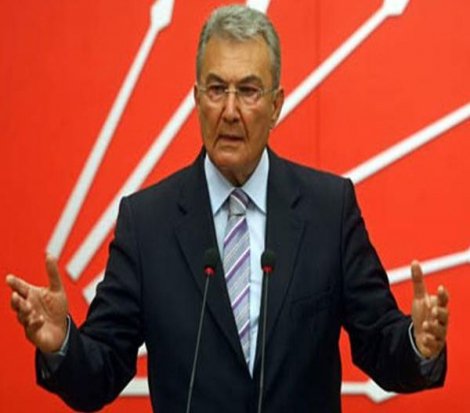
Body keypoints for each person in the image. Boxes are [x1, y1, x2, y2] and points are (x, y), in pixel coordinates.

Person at [6, 5, 449, 413]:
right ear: (197, 99)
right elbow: (101, 371)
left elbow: (379, 345)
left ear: (276, 105)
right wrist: (61, 343)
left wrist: (419, 343)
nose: (230, 111)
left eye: (249, 91)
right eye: (217, 89)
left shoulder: (328, 210)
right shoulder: (147, 223)